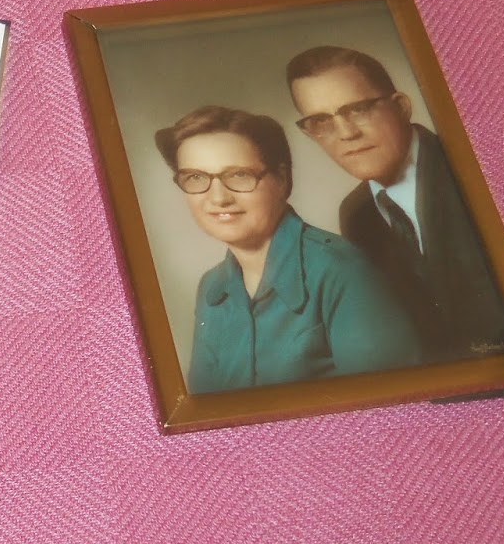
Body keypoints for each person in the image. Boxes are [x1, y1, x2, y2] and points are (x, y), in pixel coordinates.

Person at [155, 106, 420, 393]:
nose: (218, 198)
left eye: (239, 175)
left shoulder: (344, 272)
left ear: (281, 180)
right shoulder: (212, 287)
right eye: (195, 178)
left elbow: (387, 408)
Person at [286, 46, 504, 362]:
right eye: (320, 121)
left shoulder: (477, 173)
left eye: (358, 110)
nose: (346, 133)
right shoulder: (356, 214)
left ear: (401, 107)